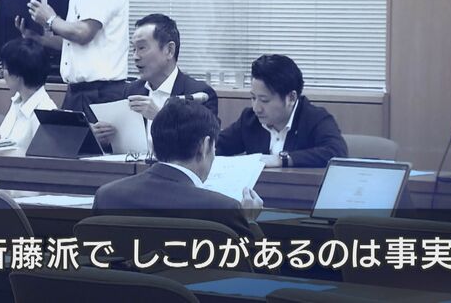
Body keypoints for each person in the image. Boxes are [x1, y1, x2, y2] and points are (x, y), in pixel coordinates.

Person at [93, 99, 263, 240]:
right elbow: (259, 265)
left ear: (153, 146)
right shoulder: (224, 209)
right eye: (214, 147)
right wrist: (249, 221)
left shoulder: (106, 196)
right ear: (204, 146)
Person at [92, 13, 218, 147]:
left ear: (169, 50)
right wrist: (103, 138)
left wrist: (159, 118)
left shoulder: (199, 94)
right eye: (134, 49)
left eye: (142, 48)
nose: (135, 57)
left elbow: (204, 146)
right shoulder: (131, 91)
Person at [216, 54, 348, 168]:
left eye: (264, 100)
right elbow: (215, 146)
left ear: (291, 98)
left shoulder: (315, 118)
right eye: (253, 98)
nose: (256, 108)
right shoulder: (250, 119)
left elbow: (337, 153)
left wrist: (282, 159)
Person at [0, 38, 56, 155]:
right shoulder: (18, 101)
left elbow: (44, 158)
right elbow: (9, 142)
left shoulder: (45, 111)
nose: (2, 73)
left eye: (4, 68)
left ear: (17, 74)